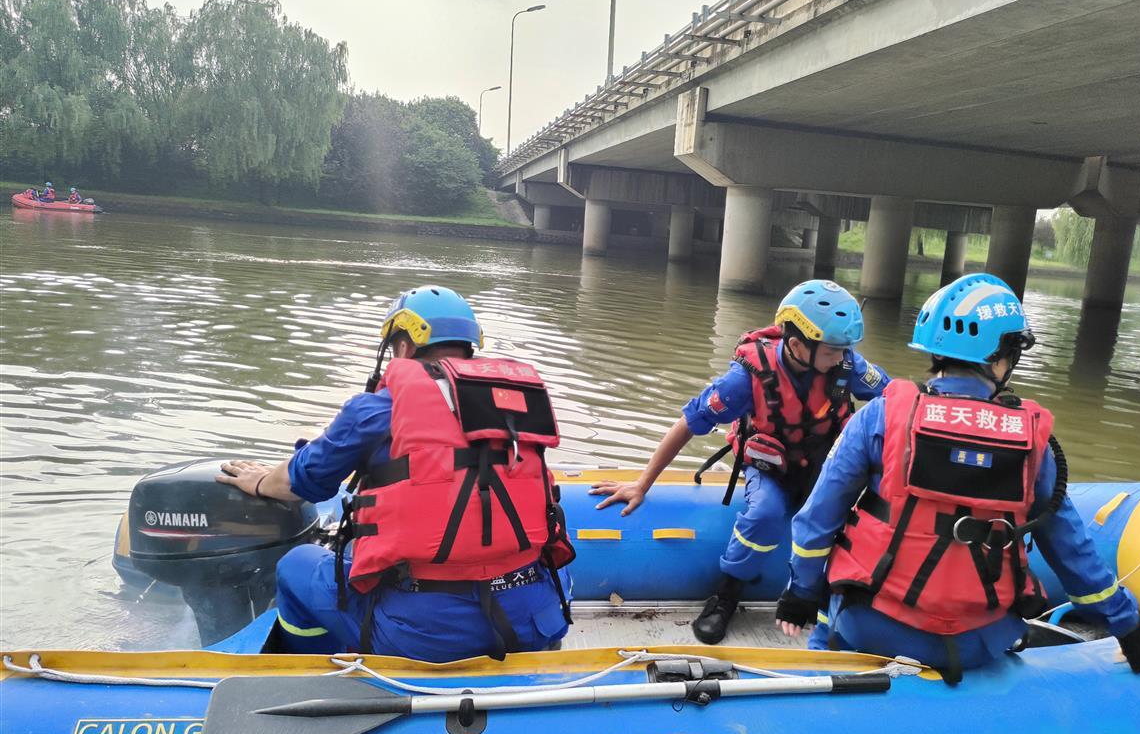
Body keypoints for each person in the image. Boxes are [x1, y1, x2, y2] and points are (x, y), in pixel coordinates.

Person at [776, 273, 1140, 682]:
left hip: (873, 628)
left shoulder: (881, 416)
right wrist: (1127, 625)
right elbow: (1071, 548)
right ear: (1000, 356)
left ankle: (821, 671)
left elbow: (816, 521)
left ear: (935, 351)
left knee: (824, 608)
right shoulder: (1032, 442)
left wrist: (799, 594)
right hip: (981, 639)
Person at [216, 285, 575, 662]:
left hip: (422, 637)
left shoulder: (374, 410)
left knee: (295, 566)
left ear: (403, 347)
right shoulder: (514, 408)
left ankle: (315, 671)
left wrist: (258, 480)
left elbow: (300, 483)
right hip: (533, 623)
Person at [591, 280, 890, 644]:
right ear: (797, 345)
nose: (843, 358)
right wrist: (642, 484)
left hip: (824, 467)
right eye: (833, 351)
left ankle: (825, 596)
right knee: (765, 513)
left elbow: (893, 403)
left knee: (841, 518)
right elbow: (689, 422)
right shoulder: (746, 379)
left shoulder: (846, 364)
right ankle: (726, 594)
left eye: (846, 350)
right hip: (771, 468)